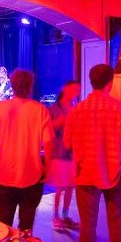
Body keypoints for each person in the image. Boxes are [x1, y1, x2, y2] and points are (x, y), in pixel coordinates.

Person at [63, 64, 121, 242]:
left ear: (91, 81)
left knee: (87, 226)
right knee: (118, 226)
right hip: (116, 174)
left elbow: (67, 143)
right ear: (110, 82)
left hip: (85, 174)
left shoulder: (77, 110)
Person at [0, 69, 53, 231]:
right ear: (31, 86)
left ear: (12, 86)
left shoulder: (0, 108)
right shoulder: (40, 110)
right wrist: (48, 167)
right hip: (32, 175)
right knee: (26, 227)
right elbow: (49, 142)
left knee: (2, 225)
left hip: (4, 175)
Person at [47, 81, 81, 231]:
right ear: (66, 89)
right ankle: (55, 217)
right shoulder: (54, 108)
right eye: (74, 89)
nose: (77, 92)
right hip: (59, 151)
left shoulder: (75, 108)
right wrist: (60, 122)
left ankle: (65, 216)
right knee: (61, 186)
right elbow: (47, 129)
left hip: (73, 152)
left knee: (70, 186)